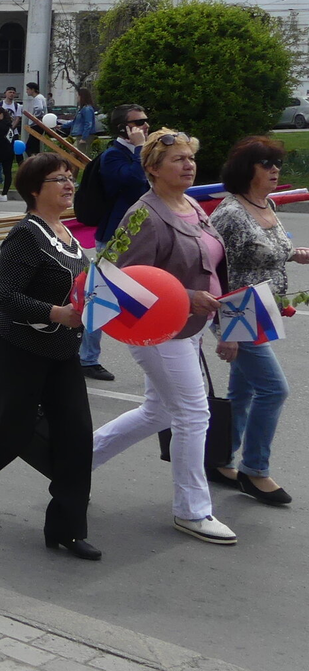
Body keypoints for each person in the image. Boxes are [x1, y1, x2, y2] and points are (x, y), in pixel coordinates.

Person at [0, 153, 98, 558]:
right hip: (18, 348)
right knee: (13, 434)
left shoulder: (69, 234)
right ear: (33, 190)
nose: (67, 185)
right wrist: (56, 312)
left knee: (77, 436)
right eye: (57, 179)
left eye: (68, 178)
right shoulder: (27, 234)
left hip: (62, 350)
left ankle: (67, 529)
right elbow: (6, 297)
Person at [89, 129, 236, 546]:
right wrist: (187, 296)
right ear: (152, 168)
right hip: (157, 331)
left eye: (190, 158)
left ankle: (76, 462)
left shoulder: (190, 204)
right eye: (178, 160)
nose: (188, 165)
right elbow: (122, 280)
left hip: (189, 327)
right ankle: (192, 511)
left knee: (159, 412)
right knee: (193, 412)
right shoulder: (144, 215)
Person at [209, 136, 304, 506]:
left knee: (244, 391)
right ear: (246, 170)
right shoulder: (231, 213)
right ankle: (255, 470)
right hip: (238, 313)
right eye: (266, 163)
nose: (275, 170)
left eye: (276, 163)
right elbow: (216, 270)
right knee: (274, 389)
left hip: (264, 310)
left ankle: (219, 460)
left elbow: (265, 250)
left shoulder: (264, 204)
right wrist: (227, 331)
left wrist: (294, 255)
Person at [80, 104, 150, 383]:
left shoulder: (140, 153)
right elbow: (134, 181)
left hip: (145, 234)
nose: (145, 126)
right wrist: (140, 150)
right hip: (115, 236)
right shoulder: (113, 156)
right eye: (139, 122)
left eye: (146, 121)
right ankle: (86, 358)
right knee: (102, 298)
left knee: (150, 293)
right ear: (124, 128)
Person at [71, 88, 97, 154]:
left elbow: (88, 124)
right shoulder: (81, 109)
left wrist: (84, 138)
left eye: (78, 95)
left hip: (84, 136)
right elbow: (75, 122)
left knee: (82, 155)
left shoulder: (87, 109)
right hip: (80, 135)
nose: (77, 97)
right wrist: (62, 126)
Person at [23, 82, 48, 153]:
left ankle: (34, 161)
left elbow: (39, 108)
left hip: (36, 125)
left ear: (33, 89)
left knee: (30, 148)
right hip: (39, 124)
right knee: (35, 146)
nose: (26, 91)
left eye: (28, 89)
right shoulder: (41, 97)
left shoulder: (37, 98)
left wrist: (35, 118)